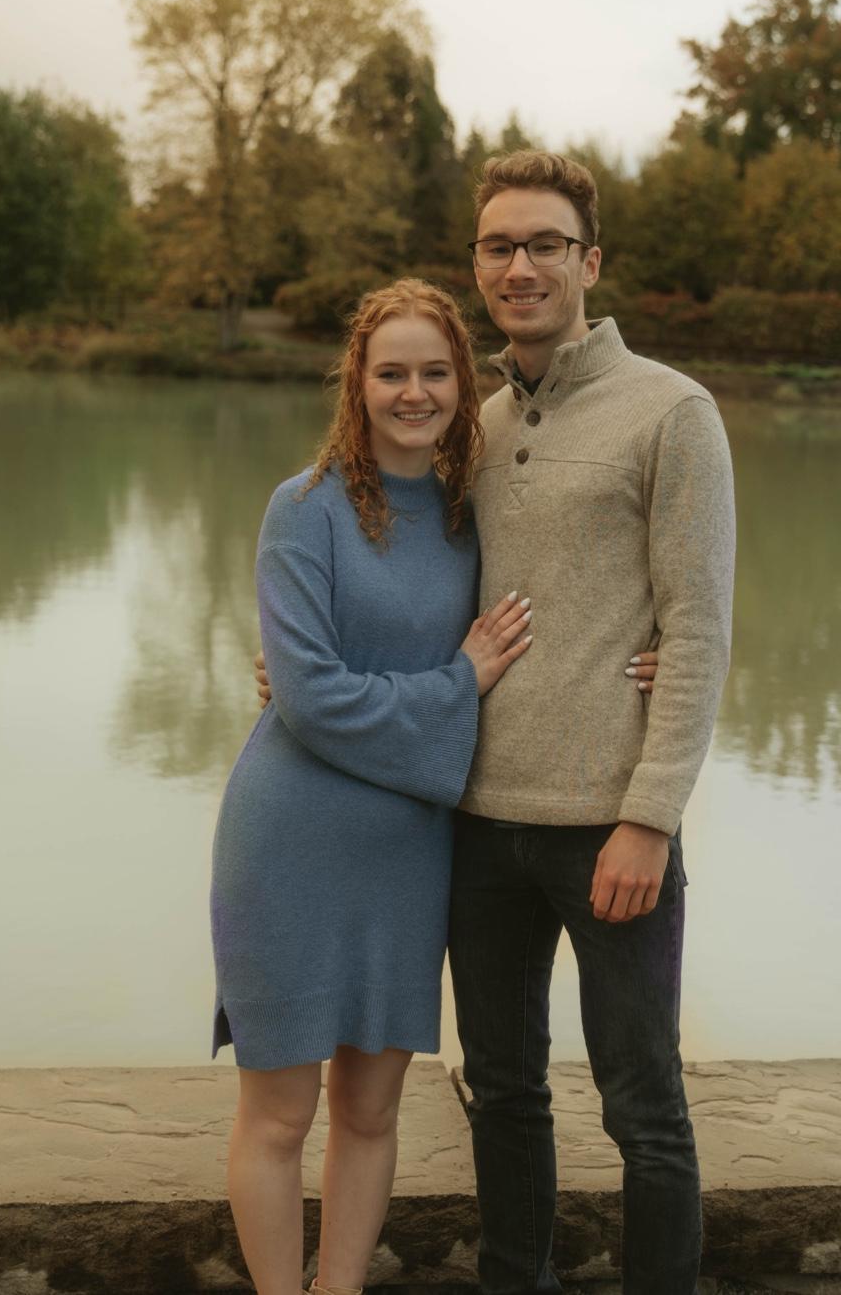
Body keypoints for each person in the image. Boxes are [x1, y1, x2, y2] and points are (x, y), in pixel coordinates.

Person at [257, 151, 736, 1293]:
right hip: (473, 821)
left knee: (643, 1103)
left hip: (607, 825)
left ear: (588, 261)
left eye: (544, 244)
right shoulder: (469, 426)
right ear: (477, 266)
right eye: (498, 247)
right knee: (503, 1090)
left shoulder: (672, 412)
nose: (520, 266)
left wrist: (651, 816)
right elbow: (415, 588)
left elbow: (698, 625)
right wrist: (301, 669)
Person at [210, 279, 534, 1295]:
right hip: (288, 841)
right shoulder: (302, 509)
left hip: (405, 856)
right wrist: (457, 682)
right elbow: (309, 697)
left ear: (463, 384)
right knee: (279, 1115)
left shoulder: (472, 517)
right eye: (391, 372)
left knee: (369, 1109)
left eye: (434, 372)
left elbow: (564, 611)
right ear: (357, 381)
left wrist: (653, 656)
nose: (413, 392)